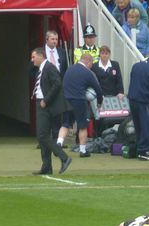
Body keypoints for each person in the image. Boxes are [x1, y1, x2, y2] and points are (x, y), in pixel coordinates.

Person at [30, 47, 71, 175]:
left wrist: (46, 100)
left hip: (46, 105)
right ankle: (47, 166)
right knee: (43, 136)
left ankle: (64, 157)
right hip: (42, 103)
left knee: (42, 135)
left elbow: (57, 83)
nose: (32, 60)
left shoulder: (49, 67)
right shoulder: (41, 69)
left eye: (33, 57)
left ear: (41, 56)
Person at [62, 52, 104, 158]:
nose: (91, 67)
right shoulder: (87, 73)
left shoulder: (69, 69)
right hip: (79, 100)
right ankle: (83, 150)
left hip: (66, 99)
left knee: (65, 124)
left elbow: (64, 84)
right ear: (88, 61)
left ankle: (59, 143)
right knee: (82, 126)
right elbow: (98, 89)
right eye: (91, 64)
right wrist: (99, 103)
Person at [128, 50, 149, 160]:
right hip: (145, 101)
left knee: (138, 126)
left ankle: (139, 148)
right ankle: (144, 151)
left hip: (132, 100)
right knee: (146, 126)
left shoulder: (135, 66)